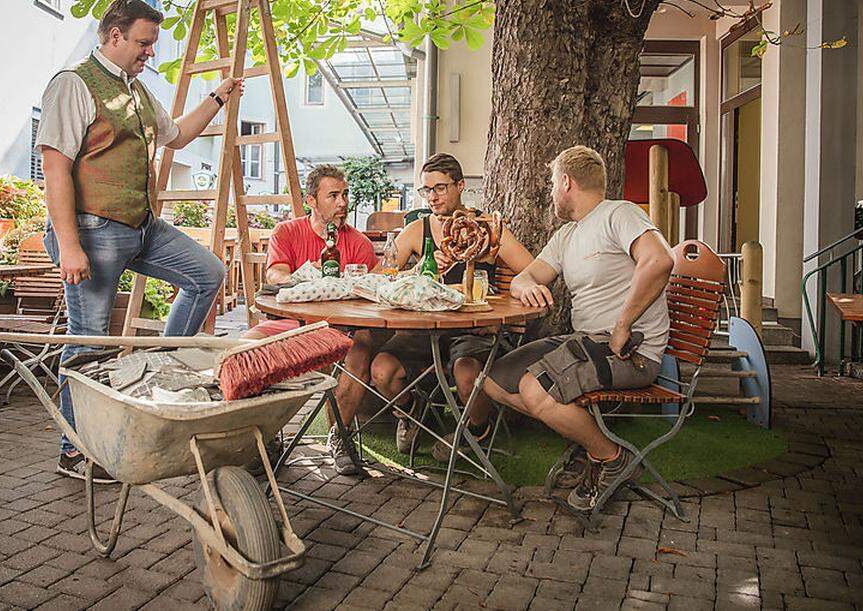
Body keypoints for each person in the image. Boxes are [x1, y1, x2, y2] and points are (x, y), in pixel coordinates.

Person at [38, 0, 240, 481]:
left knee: (206, 273)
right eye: (144, 43)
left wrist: (218, 97)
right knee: (88, 343)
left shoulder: (138, 92)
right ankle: (76, 448)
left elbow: (179, 136)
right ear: (114, 36)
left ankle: (159, 377)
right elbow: (54, 167)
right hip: (92, 230)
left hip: (141, 225)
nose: (150, 52)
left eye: (152, 44)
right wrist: (68, 244)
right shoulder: (73, 85)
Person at [480, 145, 674, 512]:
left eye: (553, 183)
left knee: (534, 389)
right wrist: (527, 286)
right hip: (584, 342)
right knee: (492, 377)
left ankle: (611, 458)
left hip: (630, 351)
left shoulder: (620, 214)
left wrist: (623, 324)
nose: (551, 191)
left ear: (566, 182)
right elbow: (526, 275)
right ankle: (589, 444)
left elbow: (660, 259)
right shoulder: (567, 235)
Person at [369, 153, 534, 459]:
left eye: (441, 188)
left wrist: (488, 268)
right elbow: (383, 277)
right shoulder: (419, 229)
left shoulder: (485, 228)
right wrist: (419, 270)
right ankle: (412, 411)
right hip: (425, 329)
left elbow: (533, 269)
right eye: (427, 190)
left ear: (460, 186)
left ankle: (475, 431)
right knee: (382, 369)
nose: (433, 196)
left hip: (473, 329)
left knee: (467, 373)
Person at [244, 165, 381, 475]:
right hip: (294, 324)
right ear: (311, 201)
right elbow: (275, 273)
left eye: (345, 195)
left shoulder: (359, 243)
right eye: (333, 195)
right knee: (247, 345)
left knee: (360, 346)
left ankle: (340, 436)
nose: (343, 202)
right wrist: (308, 280)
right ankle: (264, 437)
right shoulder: (288, 231)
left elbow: (373, 289)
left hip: (339, 330)